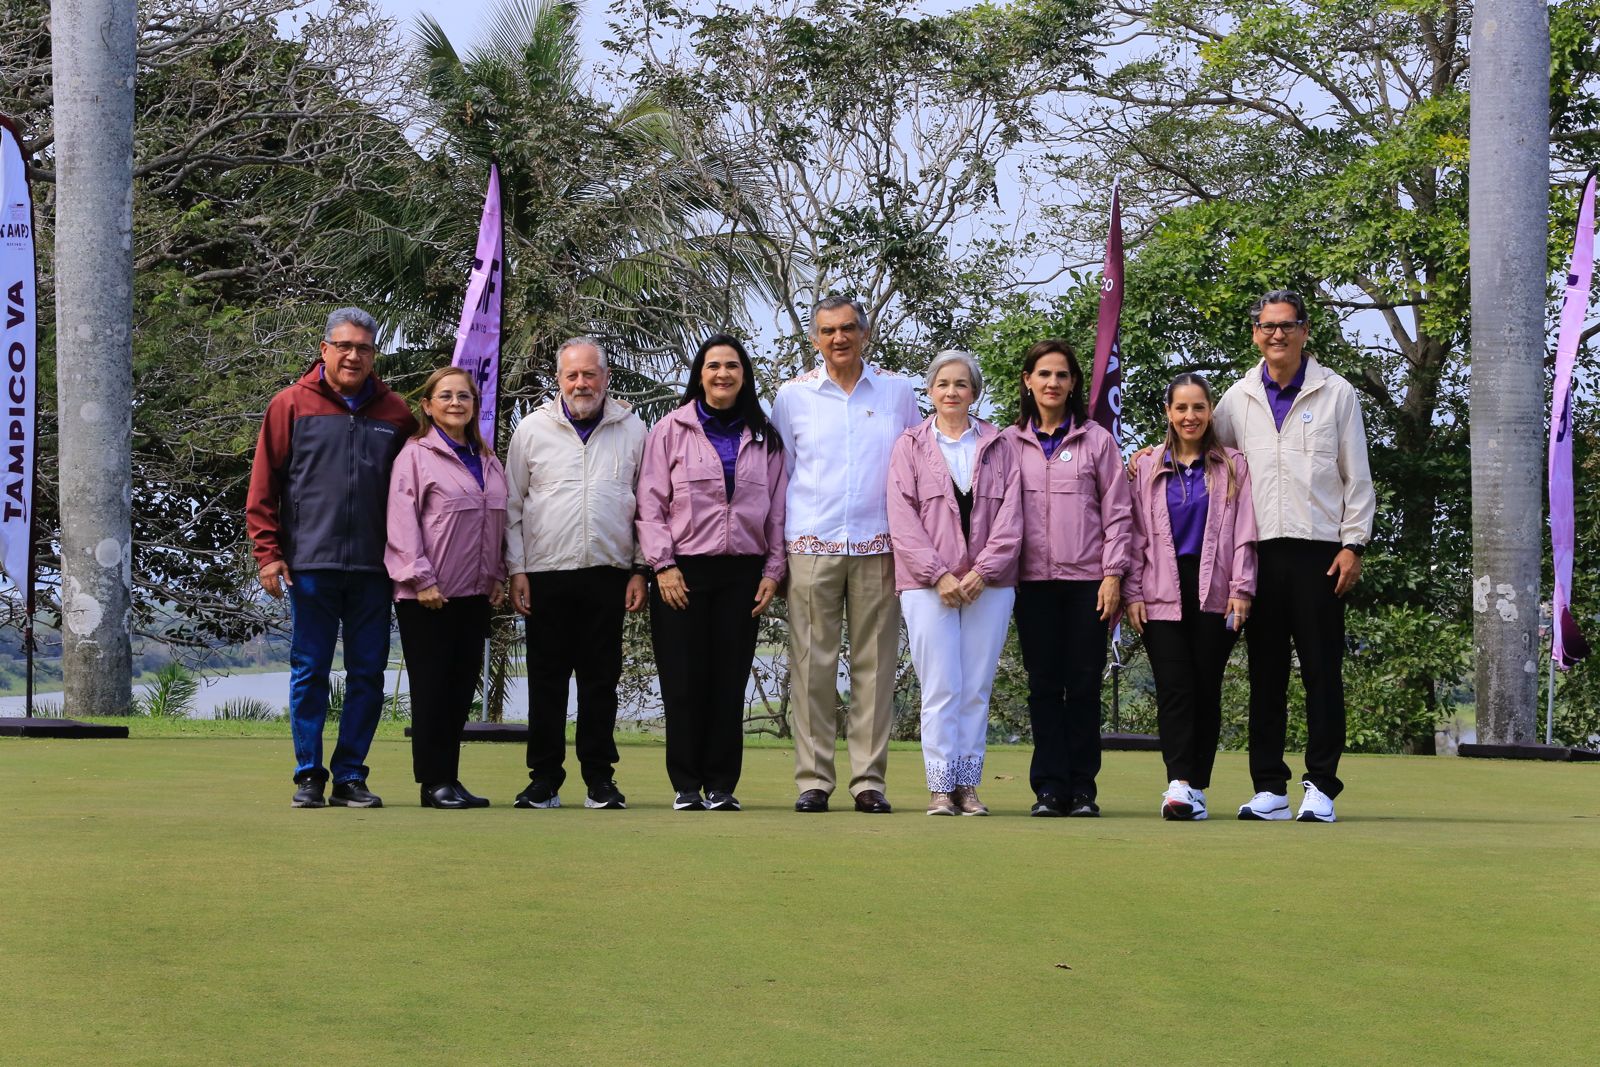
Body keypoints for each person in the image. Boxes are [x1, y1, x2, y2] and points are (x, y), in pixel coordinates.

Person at [1213, 290, 1374, 823]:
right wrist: (1151, 456)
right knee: (1266, 674)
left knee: (1322, 672)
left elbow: (1357, 476)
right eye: (1267, 326)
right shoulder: (1237, 398)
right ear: (1255, 333)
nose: (1277, 334)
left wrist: (1353, 544)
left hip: (1321, 552)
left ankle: (1321, 785)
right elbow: (1205, 455)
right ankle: (1270, 788)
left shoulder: (1336, 393)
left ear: (1305, 331)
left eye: (1287, 325)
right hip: (1258, 554)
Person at [247, 307, 418, 808]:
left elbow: (415, 490)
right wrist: (268, 554)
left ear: (374, 355)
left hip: (375, 569)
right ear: (324, 350)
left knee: (368, 675)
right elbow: (263, 486)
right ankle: (308, 777)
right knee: (310, 672)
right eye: (343, 346)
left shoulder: (397, 414)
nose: (353, 356)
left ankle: (349, 777)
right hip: (309, 566)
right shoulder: (289, 405)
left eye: (363, 348)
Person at [770, 296, 921, 815]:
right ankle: (814, 779)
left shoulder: (898, 391)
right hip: (811, 545)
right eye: (828, 330)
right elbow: (781, 474)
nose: (839, 338)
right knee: (812, 666)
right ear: (815, 339)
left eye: (848, 328)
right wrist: (777, 556)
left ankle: (868, 782)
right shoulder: (792, 396)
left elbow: (916, 465)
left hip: (880, 544)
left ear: (865, 333)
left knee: (874, 668)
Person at [635, 334, 788, 812]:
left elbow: (778, 512)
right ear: (699, 375)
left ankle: (721, 785)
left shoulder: (765, 437)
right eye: (713, 366)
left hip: (743, 575)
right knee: (683, 681)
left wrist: (773, 570)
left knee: (728, 682)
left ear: (744, 375)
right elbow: (650, 505)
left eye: (732, 366)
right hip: (682, 573)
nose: (723, 374)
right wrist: (663, 566)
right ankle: (686, 784)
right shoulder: (670, 430)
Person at [504, 336, 649, 810]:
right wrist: (517, 568)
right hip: (545, 574)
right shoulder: (531, 430)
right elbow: (512, 506)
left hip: (609, 572)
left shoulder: (633, 430)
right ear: (559, 380)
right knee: (546, 681)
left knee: (600, 681)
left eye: (590, 374)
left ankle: (599, 779)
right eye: (572, 375)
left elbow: (647, 507)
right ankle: (544, 779)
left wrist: (640, 569)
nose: (581, 383)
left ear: (606, 378)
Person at [886, 351, 1022, 816]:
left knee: (976, 687)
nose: (951, 392)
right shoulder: (909, 445)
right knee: (941, 686)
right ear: (929, 391)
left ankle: (968, 786)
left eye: (961, 384)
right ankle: (941, 786)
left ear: (974, 392)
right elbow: (902, 519)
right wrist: (938, 574)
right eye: (943, 383)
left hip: (990, 584)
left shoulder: (1001, 444)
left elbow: (1012, 519)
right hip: (927, 586)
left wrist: (982, 571)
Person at [1001, 339, 1133, 818]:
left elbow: (1119, 514)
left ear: (1074, 382)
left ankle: (1082, 790)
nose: (1052, 382)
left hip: (1087, 584)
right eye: (1044, 374)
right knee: (1043, 685)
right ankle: (1049, 788)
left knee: (1082, 686)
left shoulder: (1096, 440)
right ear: (1028, 381)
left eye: (1061, 374)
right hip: (1030, 584)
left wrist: (1113, 575)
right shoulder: (1007, 443)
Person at [1125, 372, 1257, 821]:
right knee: (1174, 687)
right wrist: (1132, 591)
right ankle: (1178, 783)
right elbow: (1134, 533)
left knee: (1205, 686)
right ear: (1168, 412)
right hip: (1160, 588)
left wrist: (1242, 588)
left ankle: (1197, 787)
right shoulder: (1145, 466)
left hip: (1217, 590)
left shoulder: (1232, 465)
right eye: (1181, 407)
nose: (1190, 416)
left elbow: (1245, 531)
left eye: (1198, 407)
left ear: (1210, 411)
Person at [386, 367, 508, 809]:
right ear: (428, 405)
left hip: (474, 595)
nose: (456, 403)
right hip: (428, 597)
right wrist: (421, 579)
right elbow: (402, 523)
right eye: (446, 396)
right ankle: (432, 782)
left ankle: (450, 779)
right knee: (432, 691)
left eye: (464, 396)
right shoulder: (415, 456)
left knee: (458, 691)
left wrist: (498, 574)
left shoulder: (489, 460)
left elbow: (497, 524)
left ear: (475, 405)